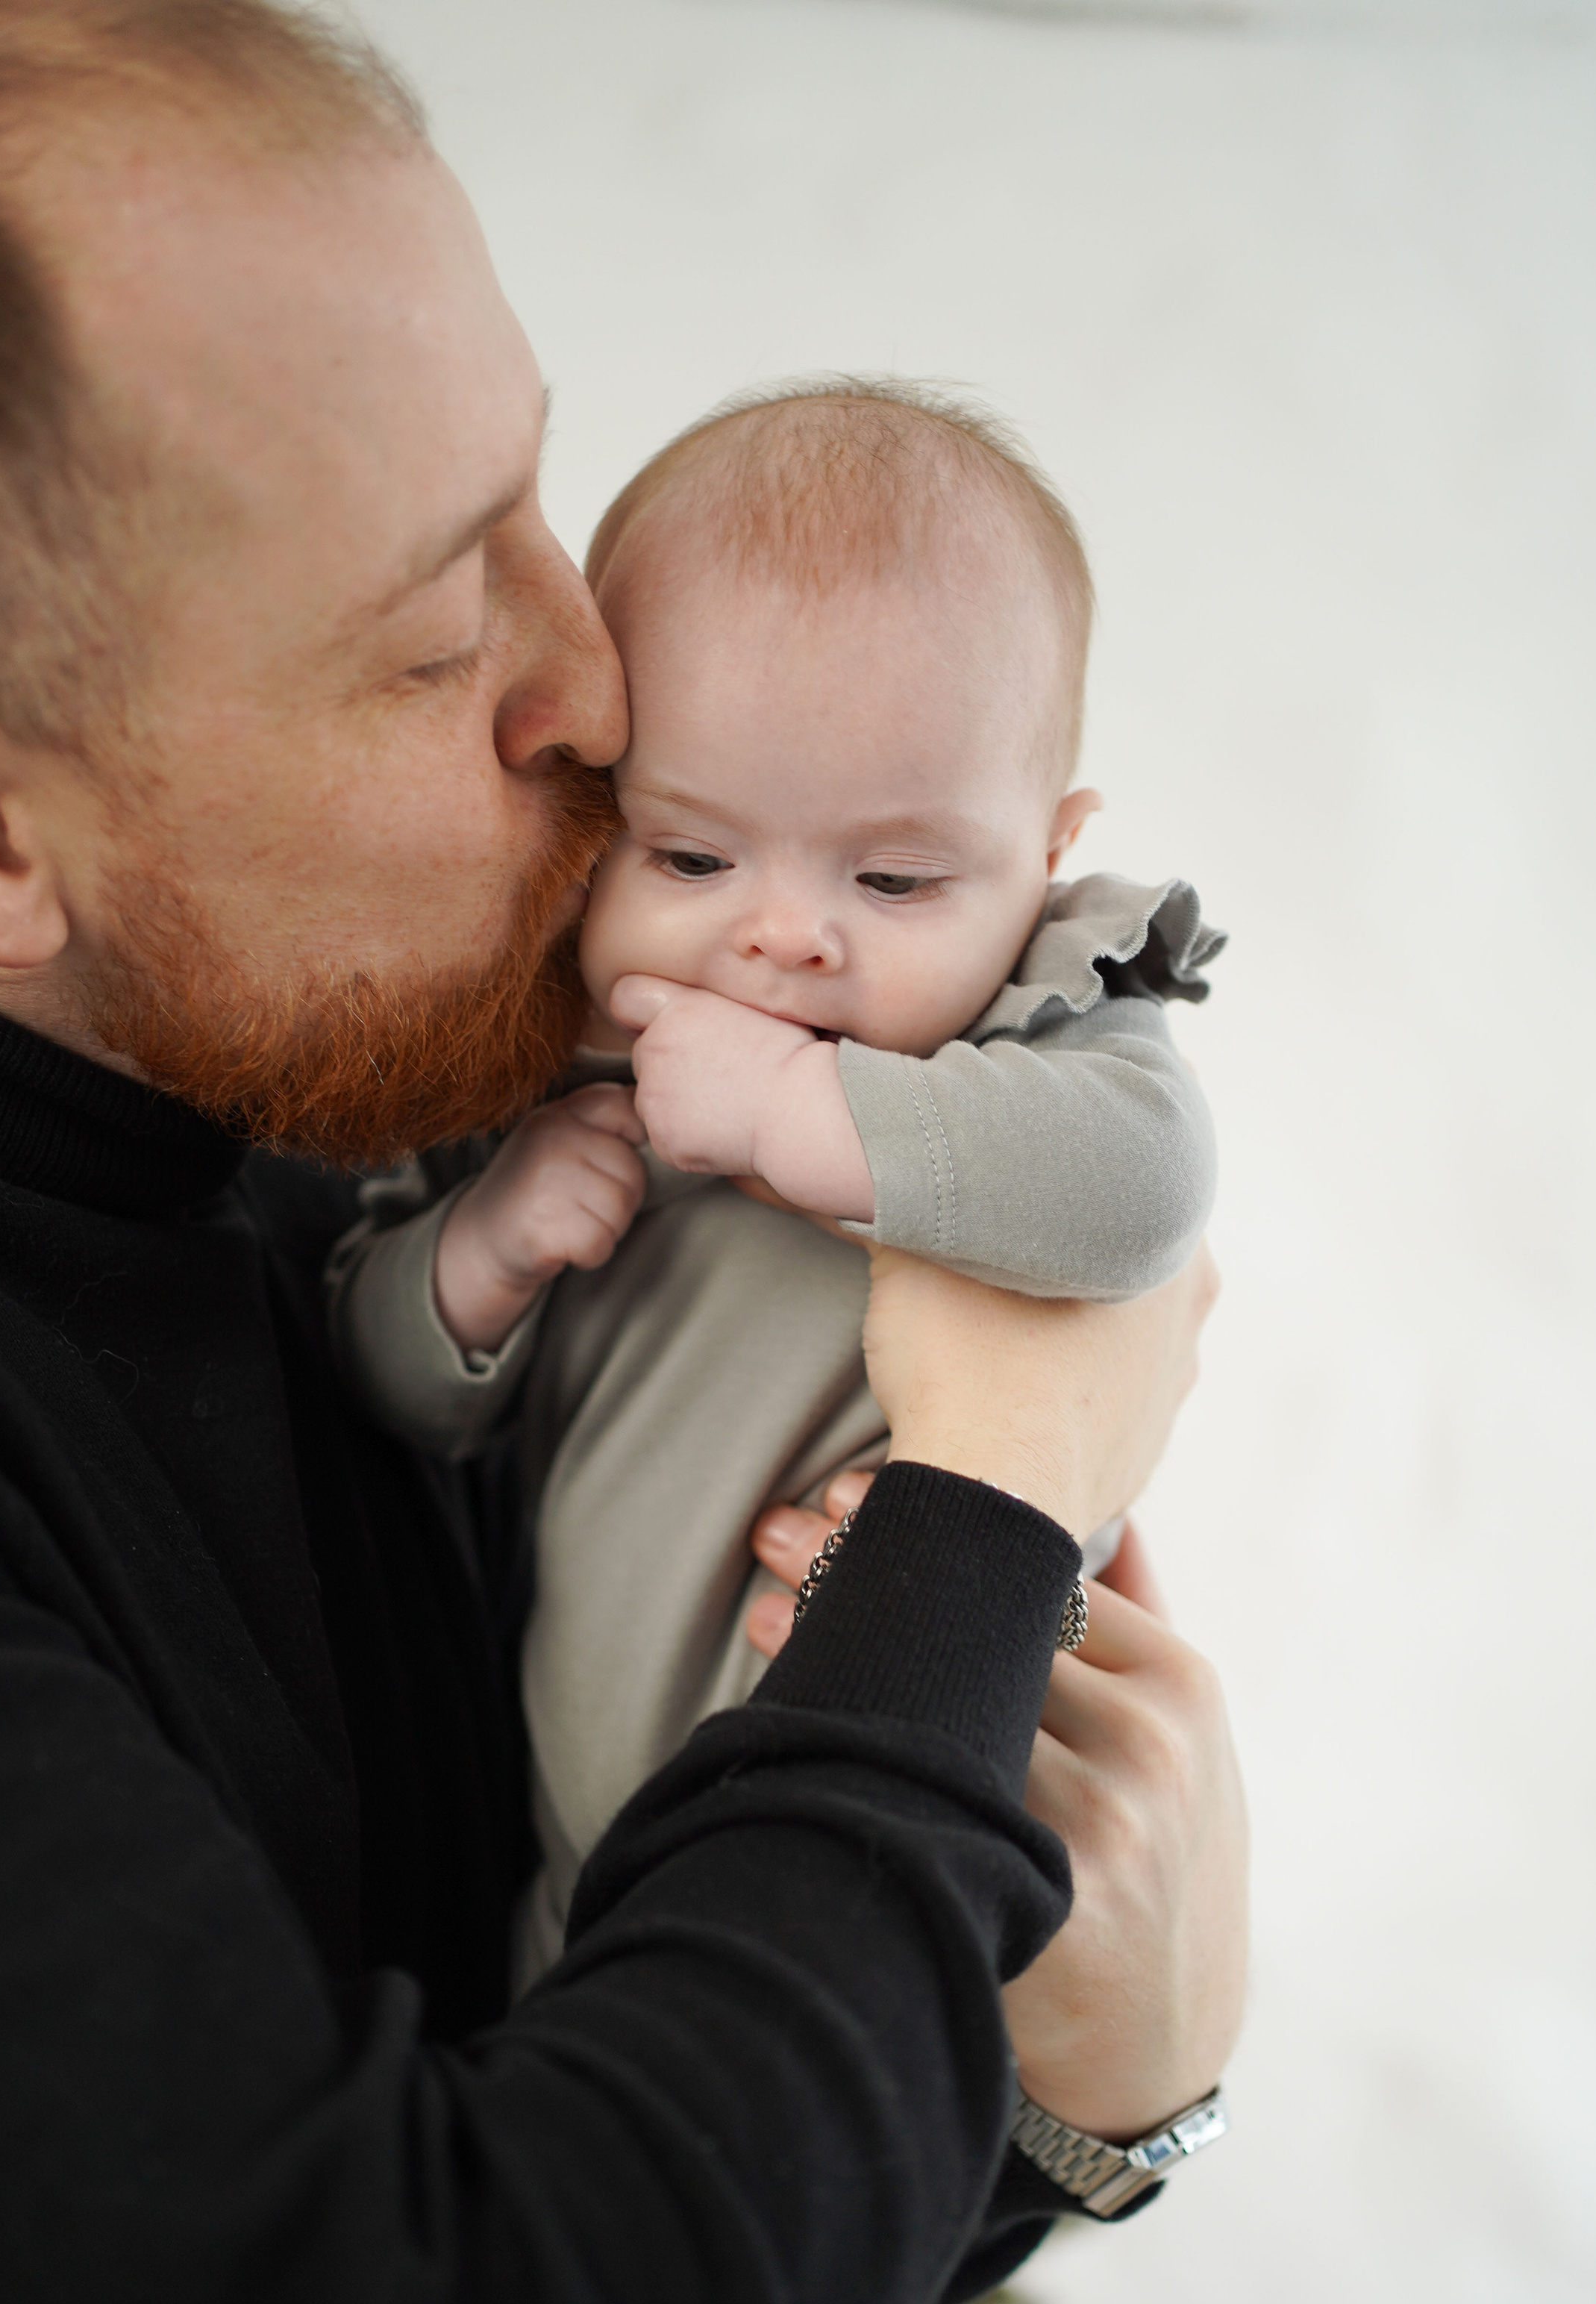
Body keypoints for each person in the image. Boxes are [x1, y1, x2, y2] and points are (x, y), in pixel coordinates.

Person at [0, 8, 1248, 2304]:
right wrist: (962, 1534)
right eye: (439, 616)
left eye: (533, 488)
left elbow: (597, 2098)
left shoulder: (285, 1142)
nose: (604, 687)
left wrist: (1080, 2093)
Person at [330, 382, 1226, 2003]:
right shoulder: (554, 1077)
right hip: (569, 1854)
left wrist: (795, 1114)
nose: (784, 936)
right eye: (688, 859)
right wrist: (482, 1254)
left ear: (1041, 853)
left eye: (891, 880)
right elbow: (391, 1391)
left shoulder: (1043, 1017)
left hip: (944, 1830)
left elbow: (1141, 1198)